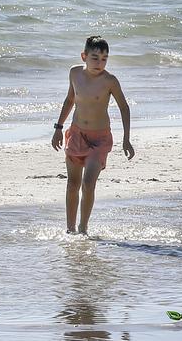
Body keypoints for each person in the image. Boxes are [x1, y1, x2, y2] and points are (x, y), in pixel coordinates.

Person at [51, 36, 135, 235]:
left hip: (100, 140)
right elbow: (70, 99)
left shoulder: (110, 81)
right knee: (72, 184)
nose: (100, 63)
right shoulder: (74, 73)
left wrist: (126, 138)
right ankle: (70, 229)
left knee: (88, 184)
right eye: (95, 58)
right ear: (84, 56)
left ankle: (83, 228)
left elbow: (124, 107)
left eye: (104, 59)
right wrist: (58, 128)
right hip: (77, 134)